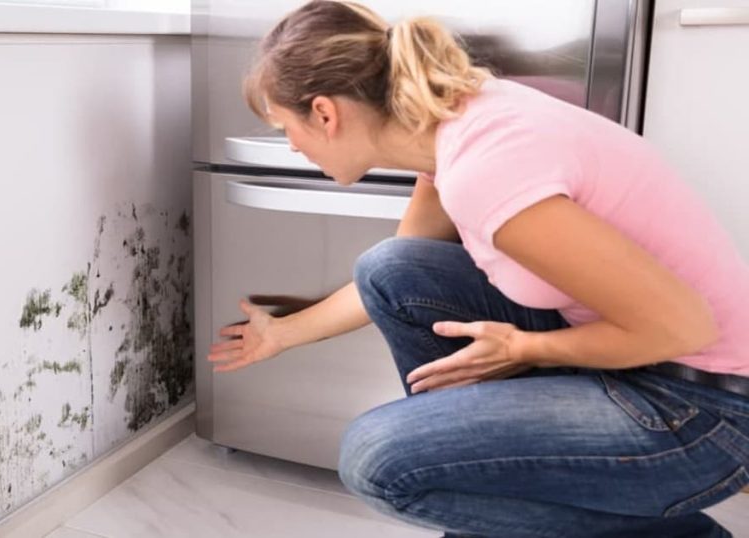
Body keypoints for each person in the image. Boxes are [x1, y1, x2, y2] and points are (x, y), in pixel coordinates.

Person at [205, 1, 749, 537]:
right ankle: (480, 490)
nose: (291, 146)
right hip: (646, 358)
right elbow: (393, 280)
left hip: (703, 412)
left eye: (284, 127)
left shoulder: (485, 172)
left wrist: (524, 349)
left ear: (324, 112)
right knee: (391, 269)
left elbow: (683, 328)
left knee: (379, 461)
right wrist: (282, 333)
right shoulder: (451, 123)